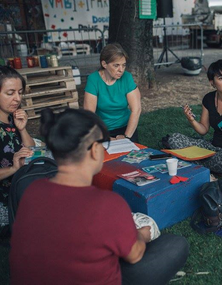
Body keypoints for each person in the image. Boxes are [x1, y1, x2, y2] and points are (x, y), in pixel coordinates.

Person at [10, 108, 189, 285]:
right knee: (175, 244)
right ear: (95, 150)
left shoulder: (33, 191)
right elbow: (134, 255)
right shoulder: (107, 204)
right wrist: (141, 235)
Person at [167, 59, 222, 174]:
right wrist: (192, 120)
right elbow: (203, 130)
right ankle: (208, 164)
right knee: (174, 139)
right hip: (213, 148)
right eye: (221, 78)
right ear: (212, 82)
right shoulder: (208, 99)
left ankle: (195, 164)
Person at [84, 42, 141, 142]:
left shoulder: (127, 78)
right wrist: (105, 138)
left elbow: (136, 110)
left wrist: (126, 136)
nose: (121, 70)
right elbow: (89, 115)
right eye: (116, 65)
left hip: (126, 128)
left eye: (123, 65)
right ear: (104, 64)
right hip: (101, 129)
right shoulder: (93, 79)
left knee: (133, 156)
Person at [0, 66, 34, 229]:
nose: (17, 98)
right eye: (10, 93)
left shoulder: (12, 118)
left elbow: (31, 149)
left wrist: (22, 128)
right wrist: (14, 168)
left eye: (20, 92)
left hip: (20, 186)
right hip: (4, 199)